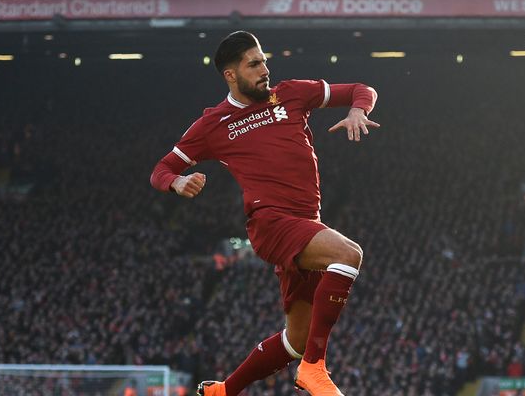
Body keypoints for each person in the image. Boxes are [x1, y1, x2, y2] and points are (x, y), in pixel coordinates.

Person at [150, 31, 379, 396]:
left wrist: (357, 110)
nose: (264, 70)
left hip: (306, 222)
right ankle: (315, 369)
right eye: (254, 64)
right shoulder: (213, 124)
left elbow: (361, 89)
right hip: (271, 223)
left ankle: (224, 391)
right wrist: (176, 183)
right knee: (348, 255)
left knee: (297, 340)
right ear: (230, 74)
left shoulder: (290, 93)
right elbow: (161, 169)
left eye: (264, 61)